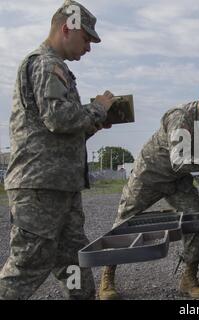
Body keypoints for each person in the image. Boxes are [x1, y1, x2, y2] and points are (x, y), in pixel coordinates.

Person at [0, 0, 114, 300]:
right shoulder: (46, 64)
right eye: (86, 38)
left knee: (72, 259)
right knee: (27, 265)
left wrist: (92, 124)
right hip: (40, 187)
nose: (88, 48)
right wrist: (98, 109)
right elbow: (58, 117)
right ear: (67, 28)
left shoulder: (55, 67)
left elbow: (57, 133)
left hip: (58, 186)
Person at [99, 82, 199, 300]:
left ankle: (189, 278)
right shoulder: (180, 117)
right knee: (124, 223)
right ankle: (107, 278)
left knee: (197, 218)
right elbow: (179, 161)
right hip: (150, 174)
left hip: (177, 180)